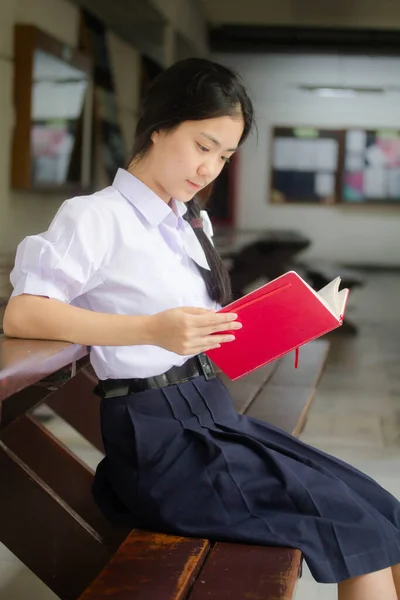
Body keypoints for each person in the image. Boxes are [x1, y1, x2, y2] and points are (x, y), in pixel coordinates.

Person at [4, 58, 400, 600]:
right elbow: (23, 313)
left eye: (225, 155)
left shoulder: (191, 220)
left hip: (213, 418)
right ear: (160, 126)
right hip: (163, 447)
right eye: (203, 145)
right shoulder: (95, 216)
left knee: (382, 512)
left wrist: (287, 324)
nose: (211, 166)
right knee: (355, 531)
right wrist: (150, 330)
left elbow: (208, 335)